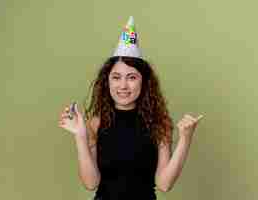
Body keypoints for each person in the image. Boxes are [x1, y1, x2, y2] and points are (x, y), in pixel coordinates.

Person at [59, 16, 203, 200]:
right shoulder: (95, 123)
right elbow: (91, 183)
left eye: (132, 77)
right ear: (107, 81)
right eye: (116, 77)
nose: (123, 86)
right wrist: (80, 135)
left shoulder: (159, 123)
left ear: (144, 83)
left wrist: (185, 138)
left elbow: (164, 184)